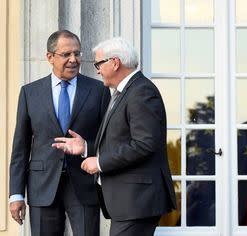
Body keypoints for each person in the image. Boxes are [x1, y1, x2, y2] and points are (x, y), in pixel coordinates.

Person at [52, 37, 177, 236]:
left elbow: (144, 144)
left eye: (99, 64)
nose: (97, 70)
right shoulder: (125, 91)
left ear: (115, 62)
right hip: (130, 203)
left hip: (138, 202)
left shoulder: (141, 92)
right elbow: (122, 142)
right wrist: (86, 148)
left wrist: (100, 163)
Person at [9, 30, 110, 235]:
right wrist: (16, 195)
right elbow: (20, 147)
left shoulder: (98, 90)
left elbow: (109, 139)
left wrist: (86, 148)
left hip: (84, 185)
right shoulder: (30, 93)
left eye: (77, 53)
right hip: (41, 186)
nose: (74, 60)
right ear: (50, 57)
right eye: (66, 55)